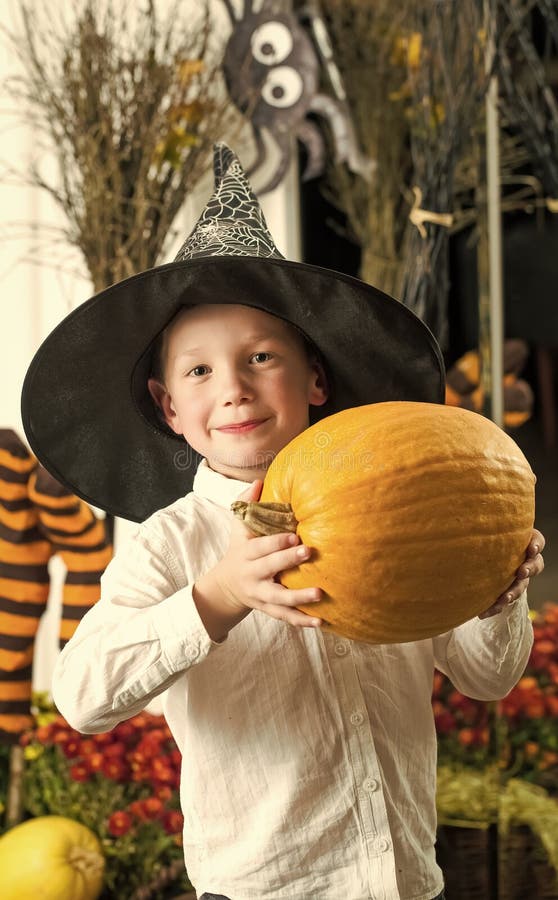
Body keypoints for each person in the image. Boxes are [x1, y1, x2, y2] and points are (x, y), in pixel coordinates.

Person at [22, 145, 544, 900]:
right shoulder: (172, 545)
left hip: (405, 880)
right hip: (262, 888)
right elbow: (83, 697)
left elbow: (488, 677)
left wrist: (498, 590)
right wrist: (217, 597)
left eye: (261, 357)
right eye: (198, 370)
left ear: (316, 378)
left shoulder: (403, 507)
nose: (233, 387)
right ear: (169, 407)